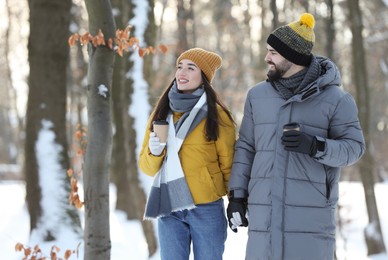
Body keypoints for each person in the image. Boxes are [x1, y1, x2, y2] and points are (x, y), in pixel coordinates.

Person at [227, 13, 365, 260]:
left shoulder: (336, 99)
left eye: (274, 52)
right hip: (264, 214)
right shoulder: (257, 96)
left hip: (310, 215)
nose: (267, 57)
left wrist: (316, 146)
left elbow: (354, 148)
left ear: (294, 57)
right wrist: (237, 196)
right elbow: (246, 147)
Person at [138, 48, 236, 260]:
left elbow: (229, 164)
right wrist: (155, 153)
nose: (182, 72)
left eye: (191, 68)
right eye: (180, 67)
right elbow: (146, 167)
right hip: (170, 205)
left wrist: (237, 201)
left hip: (206, 207)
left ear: (204, 77)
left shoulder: (217, 115)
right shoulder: (162, 112)